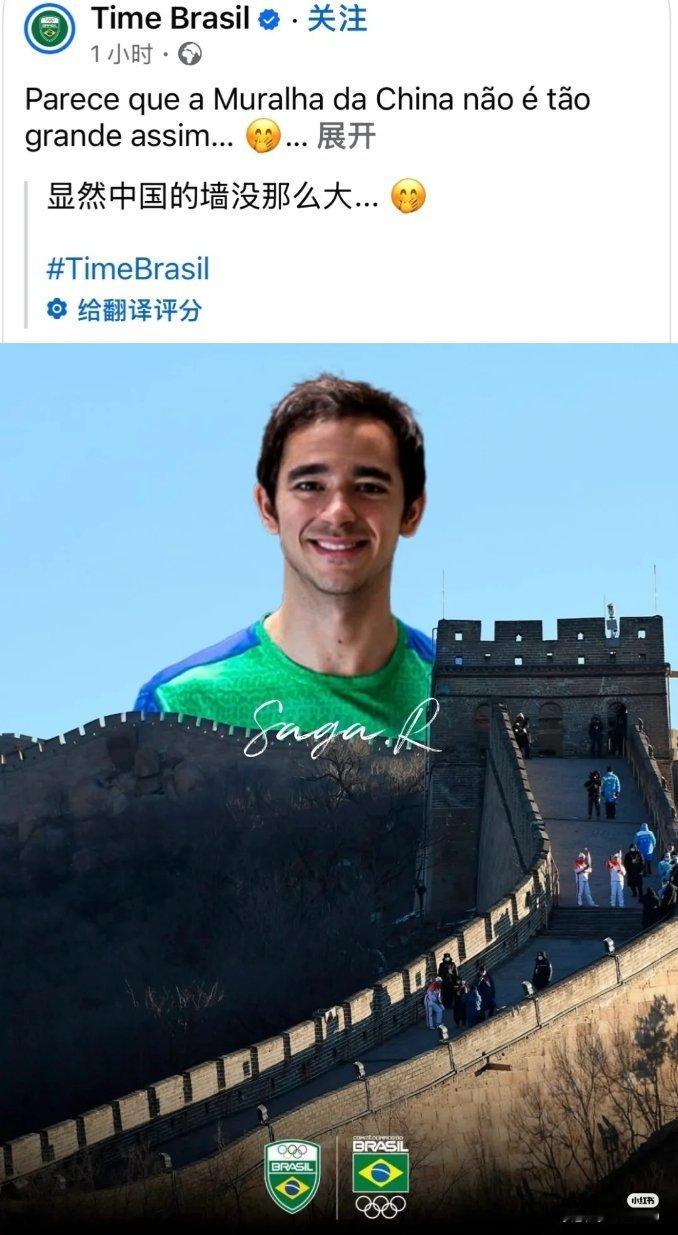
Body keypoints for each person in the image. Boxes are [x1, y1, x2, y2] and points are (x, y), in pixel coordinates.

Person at [134, 376, 434, 740]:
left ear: (412, 512)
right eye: (309, 486)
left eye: (369, 488)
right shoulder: (181, 707)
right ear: (268, 507)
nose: (339, 513)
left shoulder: (475, 702)